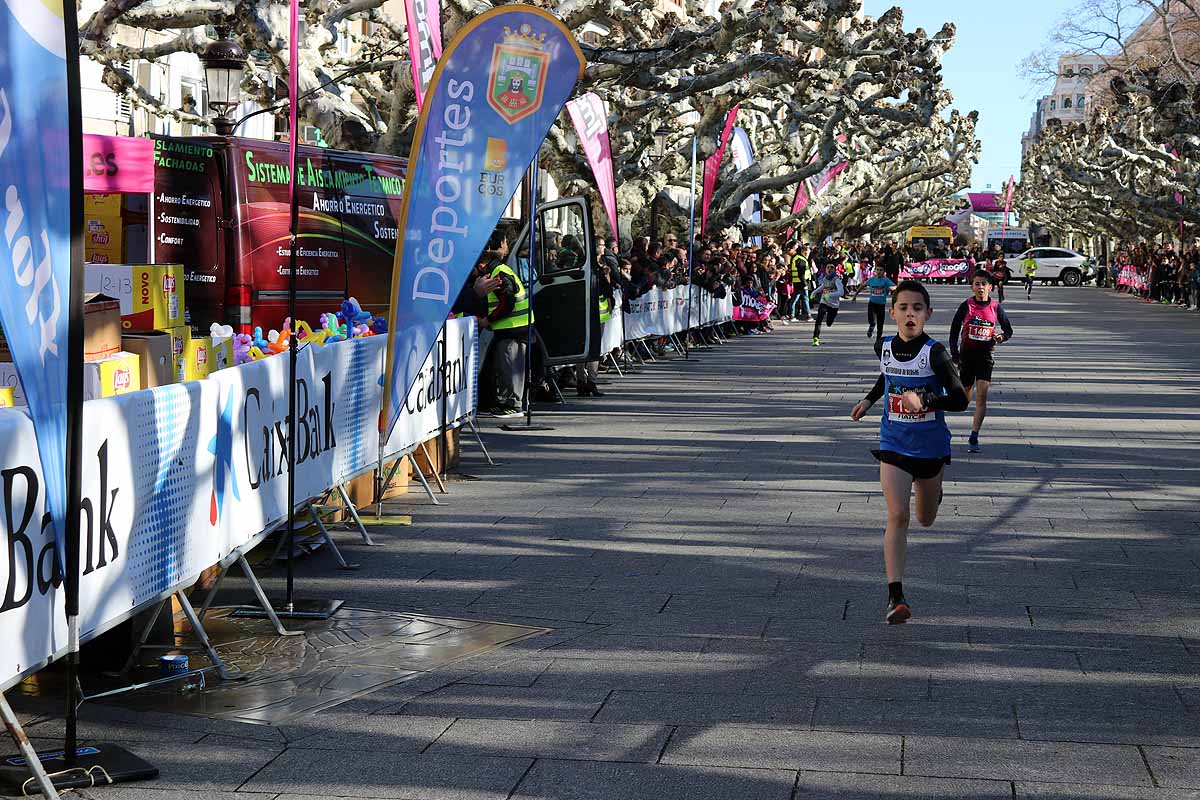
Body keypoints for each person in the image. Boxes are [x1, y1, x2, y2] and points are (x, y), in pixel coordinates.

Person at [850, 281, 969, 624]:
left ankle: (935, 491)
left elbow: (961, 399)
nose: (910, 314)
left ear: (928, 314)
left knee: (925, 518)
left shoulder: (936, 353)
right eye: (903, 308)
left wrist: (929, 399)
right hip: (894, 442)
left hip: (930, 447)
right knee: (898, 514)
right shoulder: (884, 346)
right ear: (892, 313)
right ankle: (895, 595)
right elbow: (886, 378)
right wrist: (870, 400)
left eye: (917, 308)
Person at [948, 271, 1014, 453]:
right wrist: (954, 354)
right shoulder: (966, 306)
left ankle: (974, 436)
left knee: (982, 394)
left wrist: (1001, 337)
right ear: (972, 287)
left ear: (990, 287)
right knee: (964, 396)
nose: (980, 287)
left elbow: (1008, 330)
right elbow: (954, 331)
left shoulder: (995, 307)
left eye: (984, 284)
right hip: (967, 356)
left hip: (985, 356)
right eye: (977, 284)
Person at [482, 231, 533, 418]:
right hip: (511, 327)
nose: (507, 246)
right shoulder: (499, 270)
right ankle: (509, 402)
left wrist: (490, 319)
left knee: (511, 366)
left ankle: (514, 405)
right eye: (505, 242)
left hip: (513, 327)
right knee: (506, 365)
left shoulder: (499, 272)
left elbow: (508, 301)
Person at [811, 262, 844, 347]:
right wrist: (814, 292)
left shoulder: (836, 280)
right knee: (819, 318)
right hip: (824, 302)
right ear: (825, 269)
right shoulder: (825, 278)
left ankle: (830, 320)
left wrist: (830, 295)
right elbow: (823, 286)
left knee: (829, 322)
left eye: (831, 267)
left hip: (834, 305)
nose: (829, 269)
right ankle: (816, 337)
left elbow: (841, 292)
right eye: (828, 267)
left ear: (835, 269)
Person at [864, 263, 895, 343]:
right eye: (877, 270)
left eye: (881, 270)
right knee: (871, 319)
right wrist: (855, 295)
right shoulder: (872, 279)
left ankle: (878, 339)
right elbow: (863, 285)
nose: (879, 272)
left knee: (880, 323)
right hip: (872, 303)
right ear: (875, 271)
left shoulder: (886, 280)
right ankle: (871, 327)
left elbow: (894, 286)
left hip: (881, 305)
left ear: (884, 272)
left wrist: (892, 288)